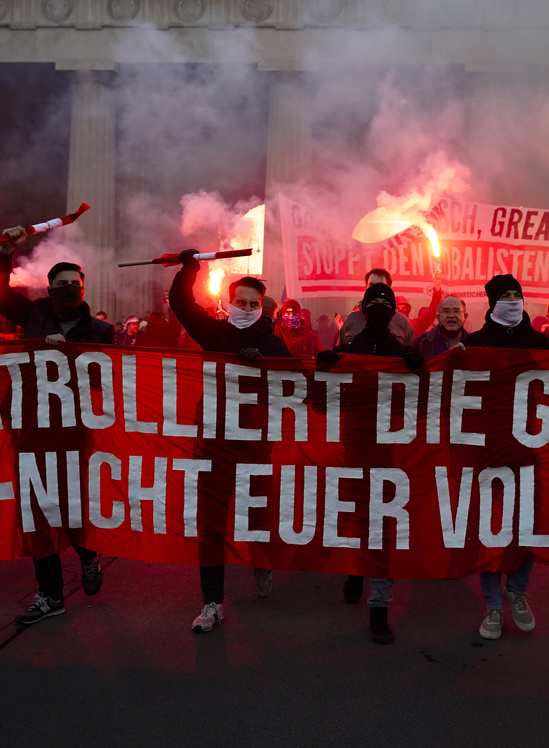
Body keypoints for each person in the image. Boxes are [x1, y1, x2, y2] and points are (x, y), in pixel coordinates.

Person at [0, 225, 117, 625]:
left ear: (82, 286)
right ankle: (49, 594)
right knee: (38, 509)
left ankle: (87, 554)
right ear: (50, 288)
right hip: (31, 425)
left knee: (72, 504)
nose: (67, 288)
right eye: (59, 283)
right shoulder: (34, 314)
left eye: (73, 283)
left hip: (74, 429)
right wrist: (5, 250)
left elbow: (105, 380)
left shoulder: (100, 331)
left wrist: (75, 358)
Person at [169, 248, 291, 633]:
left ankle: (261, 560)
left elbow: (298, 383)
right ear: (228, 302)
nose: (247, 307)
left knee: (258, 511)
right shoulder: (215, 333)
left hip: (255, 441)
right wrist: (190, 268)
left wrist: (268, 365)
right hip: (213, 440)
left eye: (253, 304)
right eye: (241, 301)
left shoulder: (272, 343)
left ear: (262, 308)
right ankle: (212, 602)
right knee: (212, 521)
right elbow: (180, 302)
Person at [318, 282, 424, 644]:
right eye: (374, 303)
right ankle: (354, 571)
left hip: (389, 456)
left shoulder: (404, 354)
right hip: (353, 452)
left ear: (394, 312)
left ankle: (380, 607)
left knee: (382, 531)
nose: (380, 308)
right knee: (352, 520)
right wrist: (323, 369)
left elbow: (425, 404)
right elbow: (319, 404)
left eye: (386, 304)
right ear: (362, 310)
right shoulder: (347, 350)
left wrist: (419, 369)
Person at [462, 274, 549, 641]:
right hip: (489, 451)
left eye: (518, 294)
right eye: (506, 295)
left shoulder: (540, 343)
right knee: (491, 526)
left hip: (530, 449)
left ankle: (517, 590)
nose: (514, 300)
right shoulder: (476, 344)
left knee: (526, 524)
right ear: (491, 302)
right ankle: (493, 605)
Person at [339, 268, 415, 345]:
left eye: (380, 285)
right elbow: (340, 353)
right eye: (371, 285)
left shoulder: (402, 322)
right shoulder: (352, 319)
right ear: (365, 288)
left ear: (388, 289)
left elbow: (410, 353)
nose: (375, 288)